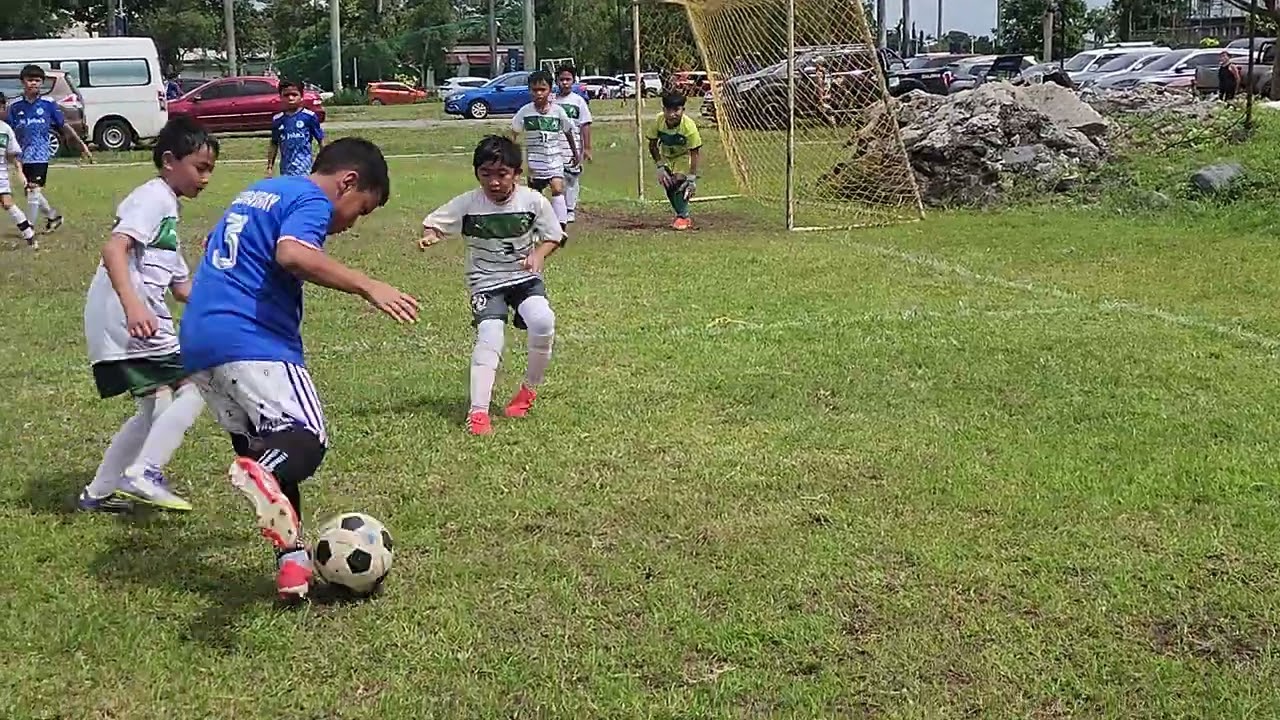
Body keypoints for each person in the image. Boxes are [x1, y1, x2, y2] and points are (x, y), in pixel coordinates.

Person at [180, 137, 419, 601]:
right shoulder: (310, 197)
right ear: (347, 182)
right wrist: (368, 285)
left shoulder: (261, 190)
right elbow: (292, 253)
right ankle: (261, 472)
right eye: (360, 210)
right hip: (252, 339)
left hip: (200, 341)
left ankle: (292, 565)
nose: (350, 225)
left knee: (272, 452)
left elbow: (213, 241)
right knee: (305, 438)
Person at [79, 117, 220, 513]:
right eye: (200, 167)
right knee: (199, 383)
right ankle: (145, 471)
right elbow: (113, 250)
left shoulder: (168, 214)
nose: (206, 179)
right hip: (129, 319)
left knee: (154, 407)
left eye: (211, 170)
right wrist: (134, 305)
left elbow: (182, 289)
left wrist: (235, 302)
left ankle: (97, 493)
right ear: (170, 161)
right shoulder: (152, 197)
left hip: (129, 318)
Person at [419, 135, 562, 436]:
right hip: (486, 281)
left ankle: (527, 392)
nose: (494, 182)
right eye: (486, 174)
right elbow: (433, 222)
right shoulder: (469, 203)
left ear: (516, 174)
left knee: (543, 320)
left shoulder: (533, 201)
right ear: (476, 174)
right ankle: (479, 413)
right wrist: (431, 234)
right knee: (490, 336)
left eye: (502, 174)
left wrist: (538, 254)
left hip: (524, 278)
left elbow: (554, 236)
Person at [6, 64, 94, 235]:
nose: (34, 84)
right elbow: (8, 130)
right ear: (23, 82)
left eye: (38, 81)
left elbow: (65, 126)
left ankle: (29, 227)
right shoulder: (15, 106)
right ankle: (53, 216)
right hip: (22, 155)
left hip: (40, 155)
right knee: (32, 192)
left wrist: (82, 145)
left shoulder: (48, 104)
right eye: (30, 80)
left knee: (33, 189)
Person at [509, 70, 578, 233]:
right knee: (536, 194)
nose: (539, 94)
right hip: (535, 161)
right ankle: (537, 223)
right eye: (535, 90)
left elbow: (568, 131)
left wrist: (575, 153)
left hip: (554, 158)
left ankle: (560, 226)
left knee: (557, 188)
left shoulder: (558, 111)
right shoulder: (525, 112)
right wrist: (509, 157)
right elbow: (513, 133)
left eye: (543, 89)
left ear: (550, 90)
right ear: (529, 90)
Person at [646, 92, 702, 230]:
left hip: (682, 156)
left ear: (683, 110)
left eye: (676, 110)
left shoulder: (689, 127)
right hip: (666, 156)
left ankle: (683, 216)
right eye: (668, 110)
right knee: (668, 184)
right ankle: (682, 215)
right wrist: (660, 166)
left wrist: (691, 178)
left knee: (678, 180)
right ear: (663, 110)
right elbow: (652, 145)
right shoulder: (658, 121)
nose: (672, 114)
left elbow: (694, 152)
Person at [552, 65, 593, 224]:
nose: (565, 83)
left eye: (568, 79)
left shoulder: (579, 101)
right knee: (556, 177)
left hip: (572, 145)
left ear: (573, 81)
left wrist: (587, 148)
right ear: (557, 81)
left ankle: (570, 209)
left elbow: (585, 124)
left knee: (571, 177)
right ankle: (558, 209)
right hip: (553, 143)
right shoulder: (552, 99)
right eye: (561, 79)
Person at [266, 80, 325, 177]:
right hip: (286, 170)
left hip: (305, 169)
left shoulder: (309, 116)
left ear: (301, 96)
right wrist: (269, 167)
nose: (290, 98)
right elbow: (274, 143)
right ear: (280, 97)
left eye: (294, 94)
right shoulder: (278, 119)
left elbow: (321, 140)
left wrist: (325, 163)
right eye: (286, 95)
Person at [0, 93, 36, 248]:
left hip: (0, 174)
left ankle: (29, 234)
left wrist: (20, 173)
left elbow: (12, 155)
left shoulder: (5, 129)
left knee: (7, 203)